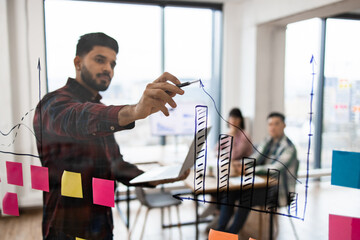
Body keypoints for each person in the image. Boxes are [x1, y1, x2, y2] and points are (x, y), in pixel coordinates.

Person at [33, 32, 189, 240]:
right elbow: (77, 117)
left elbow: (116, 165)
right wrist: (134, 111)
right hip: (67, 229)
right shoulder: (52, 104)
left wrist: (157, 179)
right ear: (78, 62)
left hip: (102, 224)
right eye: (100, 60)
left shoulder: (100, 109)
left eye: (113, 64)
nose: (108, 68)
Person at [217, 112, 298, 234]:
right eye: (270, 124)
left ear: (284, 125)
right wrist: (241, 164)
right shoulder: (267, 141)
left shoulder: (289, 148)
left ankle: (230, 234)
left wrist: (248, 170)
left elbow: (275, 168)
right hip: (261, 186)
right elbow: (255, 157)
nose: (273, 127)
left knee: (246, 197)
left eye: (276, 124)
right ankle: (220, 233)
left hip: (279, 191)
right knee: (229, 192)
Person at [203, 108, 253, 231]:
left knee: (224, 187)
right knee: (215, 179)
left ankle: (216, 211)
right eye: (231, 118)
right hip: (230, 171)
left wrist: (230, 138)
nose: (233, 121)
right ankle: (216, 211)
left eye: (236, 118)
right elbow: (216, 150)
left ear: (240, 120)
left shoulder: (244, 135)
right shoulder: (227, 134)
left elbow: (235, 154)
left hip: (241, 172)